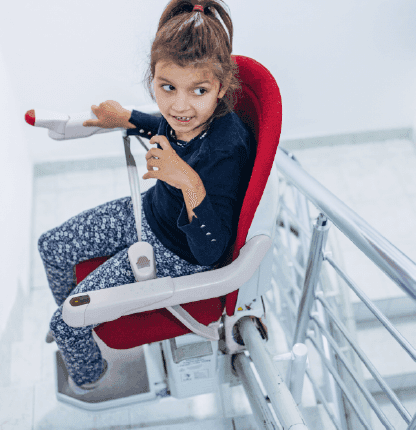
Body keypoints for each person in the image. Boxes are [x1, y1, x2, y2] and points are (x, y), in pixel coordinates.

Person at [37, 0, 253, 394]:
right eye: (166, 87)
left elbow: (210, 252)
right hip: (151, 212)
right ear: (153, 78)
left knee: (64, 323)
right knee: (51, 246)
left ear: (221, 89)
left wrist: (188, 182)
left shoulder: (225, 150)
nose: (179, 105)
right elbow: (168, 124)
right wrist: (129, 119)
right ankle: (83, 329)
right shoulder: (185, 115)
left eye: (198, 90)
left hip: (179, 253)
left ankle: (90, 378)